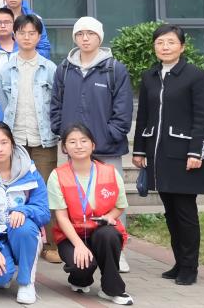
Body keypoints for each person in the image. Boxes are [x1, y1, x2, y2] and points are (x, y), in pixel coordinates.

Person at [132, 24, 204, 286]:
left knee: (185, 213)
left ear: (182, 47)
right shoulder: (150, 76)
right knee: (170, 212)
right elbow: (143, 115)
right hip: (159, 156)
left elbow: (202, 118)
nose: (165, 47)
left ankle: (190, 267)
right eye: (160, 43)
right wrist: (139, 149)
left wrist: (196, 152)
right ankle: (179, 262)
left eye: (170, 42)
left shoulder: (194, 76)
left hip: (185, 155)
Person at [0, 14, 61, 263]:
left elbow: (55, 103)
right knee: (15, 191)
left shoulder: (50, 68)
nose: (26, 37)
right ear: (14, 36)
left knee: (46, 191)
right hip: (15, 140)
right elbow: (4, 102)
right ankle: (16, 240)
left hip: (44, 139)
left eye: (31, 33)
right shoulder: (6, 69)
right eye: (22, 33)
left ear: (39, 36)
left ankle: (51, 244)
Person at [49, 123, 133, 305]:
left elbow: (120, 206)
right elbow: (61, 217)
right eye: (72, 142)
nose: (78, 146)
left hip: (99, 231)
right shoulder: (57, 175)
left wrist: (110, 216)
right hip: (72, 235)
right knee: (83, 266)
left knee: (109, 234)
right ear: (64, 148)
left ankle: (111, 289)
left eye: (84, 141)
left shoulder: (110, 172)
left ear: (93, 145)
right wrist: (79, 245)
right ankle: (80, 279)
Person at [51, 17, 133, 184]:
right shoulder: (64, 69)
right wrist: (63, 132)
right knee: (77, 196)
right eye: (80, 34)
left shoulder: (114, 69)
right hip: (75, 150)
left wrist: (109, 134)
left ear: (100, 37)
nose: (85, 38)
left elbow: (123, 109)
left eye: (90, 33)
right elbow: (56, 105)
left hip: (107, 150)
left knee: (109, 194)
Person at [0, 121, 49, 305]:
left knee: (22, 226)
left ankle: (26, 282)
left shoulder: (30, 171)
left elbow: (43, 211)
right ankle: (1, 268)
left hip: (23, 233)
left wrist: (24, 210)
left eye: (4, 142)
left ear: (12, 143)